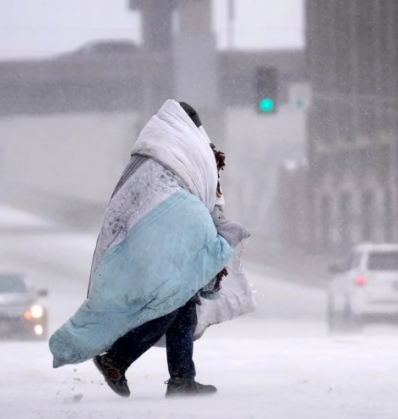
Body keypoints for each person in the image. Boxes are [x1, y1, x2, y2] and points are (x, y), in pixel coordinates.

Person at [49, 100, 253, 398]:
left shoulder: (150, 157)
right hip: (163, 239)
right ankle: (117, 360)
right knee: (170, 301)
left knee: (182, 304)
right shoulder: (188, 153)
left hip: (147, 240)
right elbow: (203, 198)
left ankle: (182, 378)